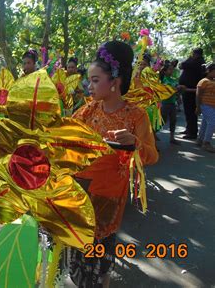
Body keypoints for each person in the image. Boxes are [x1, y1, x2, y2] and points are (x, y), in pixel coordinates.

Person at [69, 41, 158, 288]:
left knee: (100, 263)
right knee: (76, 262)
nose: (89, 86)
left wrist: (135, 143)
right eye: (89, 80)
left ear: (115, 81)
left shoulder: (135, 115)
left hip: (109, 198)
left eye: (95, 80)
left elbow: (152, 156)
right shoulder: (86, 112)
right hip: (80, 193)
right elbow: (64, 138)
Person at [179, 48, 205, 139]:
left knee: (190, 111)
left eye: (193, 54)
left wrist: (189, 58)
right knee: (188, 111)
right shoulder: (198, 62)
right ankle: (189, 129)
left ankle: (192, 132)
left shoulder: (196, 62)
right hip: (188, 90)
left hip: (190, 91)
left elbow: (181, 65)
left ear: (195, 54)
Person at [159, 62, 184, 145]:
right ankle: (152, 137)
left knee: (173, 120)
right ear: (165, 71)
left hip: (172, 103)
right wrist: (178, 88)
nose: (172, 70)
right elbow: (171, 89)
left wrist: (179, 90)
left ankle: (172, 138)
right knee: (162, 122)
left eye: (172, 69)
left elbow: (177, 89)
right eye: (170, 69)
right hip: (165, 103)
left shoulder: (173, 79)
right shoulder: (164, 80)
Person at [196, 62, 215, 152]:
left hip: (212, 106)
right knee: (212, 123)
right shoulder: (203, 81)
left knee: (205, 123)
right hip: (205, 105)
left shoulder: (213, 81)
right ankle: (206, 143)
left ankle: (200, 139)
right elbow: (198, 95)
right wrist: (198, 107)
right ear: (209, 71)